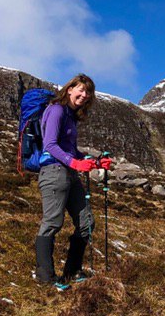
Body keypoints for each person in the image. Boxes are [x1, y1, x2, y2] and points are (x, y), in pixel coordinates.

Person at [33, 74, 112, 286]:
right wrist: (75, 162)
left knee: (86, 222)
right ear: (69, 89)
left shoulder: (70, 115)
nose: (84, 95)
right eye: (81, 90)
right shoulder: (57, 110)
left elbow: (71, 150)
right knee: (52, 222)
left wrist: (94, 162)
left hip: (69, 174)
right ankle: (45, 278)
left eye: (88, 92)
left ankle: (72, 272)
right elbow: (50, 145)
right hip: (53, 172)